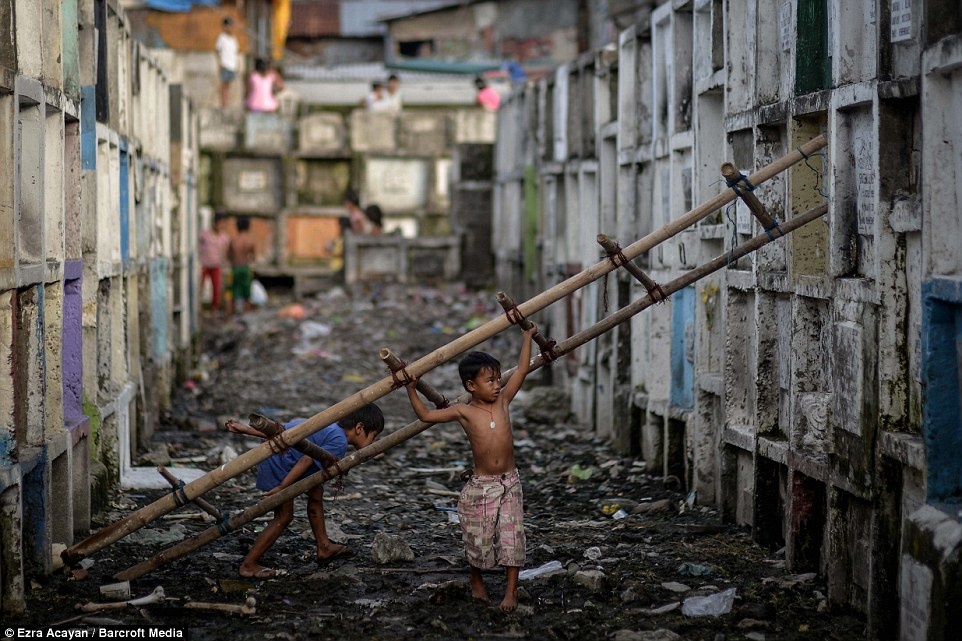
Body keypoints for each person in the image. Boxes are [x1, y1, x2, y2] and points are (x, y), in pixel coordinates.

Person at [404, 325, 537, 612]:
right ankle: (476, 579)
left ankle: (511, 591)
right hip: (482, 484)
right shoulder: (464, 412)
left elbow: (524, 369)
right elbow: (426, 415)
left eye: (498, 379)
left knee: (513, 535)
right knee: (479, 536)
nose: (497, 385)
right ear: (470, 386)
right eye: (489, 381)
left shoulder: (503, 401)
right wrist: (411, 389)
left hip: (510, 481)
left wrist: (527, 337)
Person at [226, 404, 385, 578]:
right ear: (359, 428)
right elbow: (306, 460)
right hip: (281, 464)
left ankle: (324, 546)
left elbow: (281, 434)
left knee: (316, 494)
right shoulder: (339, 442)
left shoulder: (329, 427)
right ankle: (248, 565)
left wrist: (245, 430)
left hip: (279, 457)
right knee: (284, 517)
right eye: (374, 436)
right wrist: (283, 486)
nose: (373, 442)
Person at [199, 213, 231, 312]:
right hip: (204, 265)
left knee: (216, 288)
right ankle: (199, 307)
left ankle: (214, 309)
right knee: (200, 286)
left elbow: (225, 252)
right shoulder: (205, 234)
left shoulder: (224, 237)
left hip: (216, 265)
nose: (221, 225)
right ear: (215, 223)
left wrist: (225, 264)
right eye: (219, 223)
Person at [227, 216, 256, 316]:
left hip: (235, 268)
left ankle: (231, 316)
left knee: (232, 294)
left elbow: (229, 256)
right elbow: (253, 257)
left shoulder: (234, 240)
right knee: (247, 295)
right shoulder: (250, 240)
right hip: (245, 268)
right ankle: (247, 316)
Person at [215, 17, 239, 108]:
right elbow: (217, 51)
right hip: (225, 64)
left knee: (229, 85)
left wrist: (237, 65)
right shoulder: (222, 38)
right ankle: (223, 104)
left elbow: (235, 53)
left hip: (232, 65)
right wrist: (219, 63)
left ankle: (227, 103)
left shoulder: (233, 39)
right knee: (223, 84)